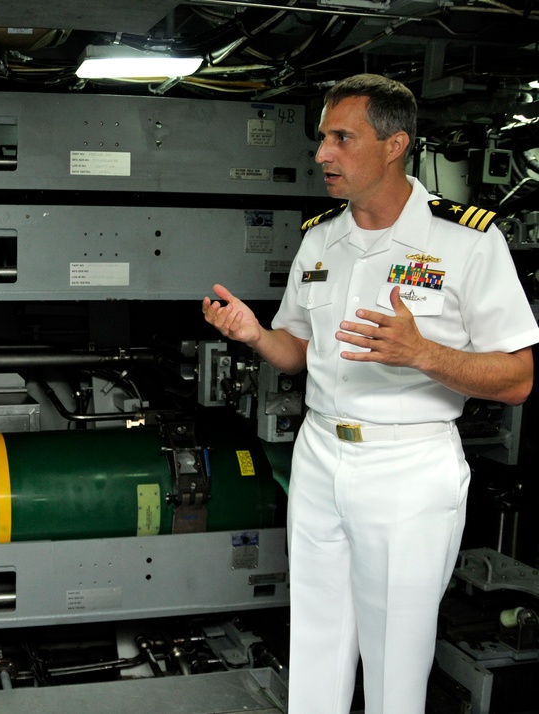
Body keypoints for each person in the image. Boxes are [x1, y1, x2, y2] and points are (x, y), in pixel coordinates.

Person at [202, 74, 538, 714]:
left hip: (407, 466)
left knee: (394, 659)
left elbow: (518, 377)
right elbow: (299, 350)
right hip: (321, 453)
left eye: (341, 138)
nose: (322, 153)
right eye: (322, 137)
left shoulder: (465, 241)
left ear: (394, 145)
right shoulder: (322, 237)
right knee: (317, 639)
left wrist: (422, 352)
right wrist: (254, 333)